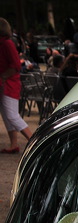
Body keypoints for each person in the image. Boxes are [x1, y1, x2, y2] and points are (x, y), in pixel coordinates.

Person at [0, 18, 33, 154]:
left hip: (9, 83)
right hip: (6, 82)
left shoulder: (6, 43)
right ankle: (14, 144)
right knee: (7, 114)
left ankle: (34, 140)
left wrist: (3, 77)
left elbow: (16, 66)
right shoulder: (5, 43)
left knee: (12, 115)